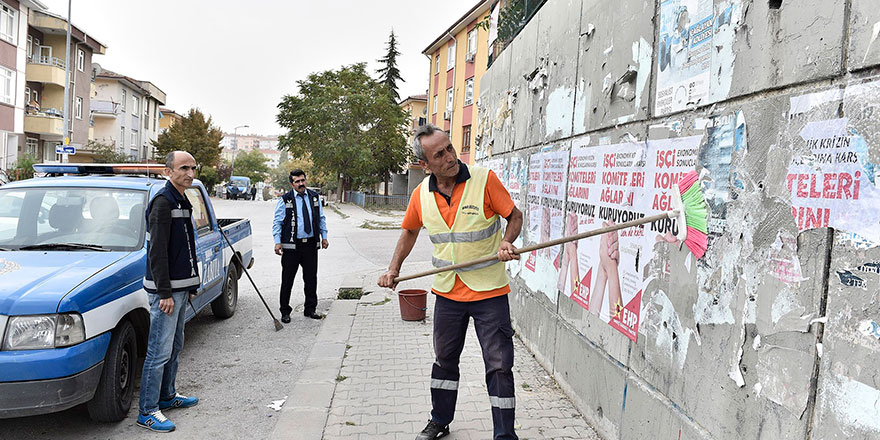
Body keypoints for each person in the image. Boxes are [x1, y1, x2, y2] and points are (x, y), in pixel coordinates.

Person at [378, 124, 524, 440]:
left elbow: (514, 216)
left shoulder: (484, 180)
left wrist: (506, 242)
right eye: (439, 154)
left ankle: (504, 435)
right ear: (425, 165)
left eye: (450, 148)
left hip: (489, 291)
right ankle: (439, 421)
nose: (449, 157)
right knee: (444, 362)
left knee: (499, 366)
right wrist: (393, 269)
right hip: (447, 293)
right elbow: (409, 232)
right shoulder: (421, 195)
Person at [137, 151, 200, 432]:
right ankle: (148, 411)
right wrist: (164, 293)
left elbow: (186, 247)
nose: (190, 173)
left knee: (174, 346)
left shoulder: (181, 199)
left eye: (193, 168)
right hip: (166, 292)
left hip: (179, 288)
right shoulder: (163, 203)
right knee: (158, 352)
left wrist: (191, 284)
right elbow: (157, 252)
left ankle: (168, 396)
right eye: (183, 168)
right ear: (168, 172)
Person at [273, 169, 328, 322]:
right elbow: (277, 222)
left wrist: (324, 236)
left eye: (302, 180)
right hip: (291, 247)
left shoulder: (314, 197)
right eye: (297, 181)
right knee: (287, 279)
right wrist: (277, 242)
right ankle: (285, 311)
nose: (301, 184)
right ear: (292, 184)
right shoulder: (285, 200)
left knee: (311, 279)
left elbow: (321, 218)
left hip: (310, 245)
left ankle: (310, 309)